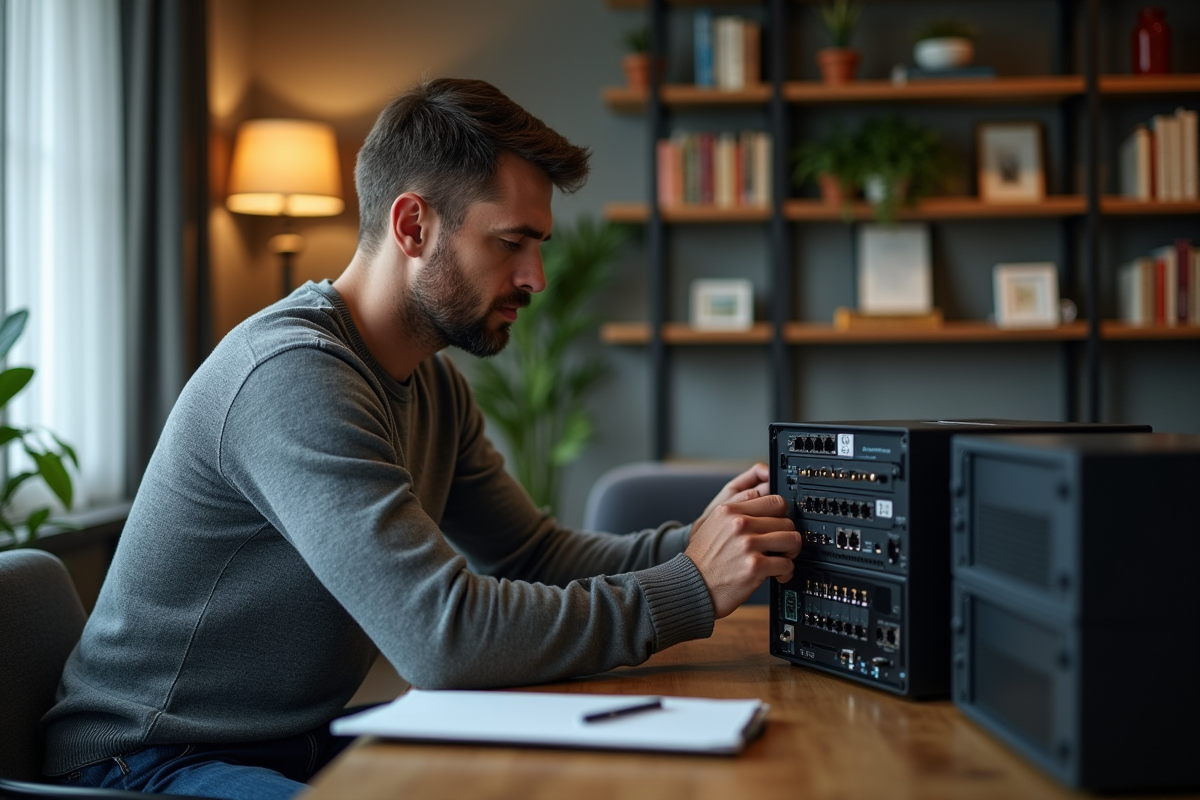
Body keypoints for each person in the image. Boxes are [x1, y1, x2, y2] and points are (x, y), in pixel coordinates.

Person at [43, 77, 801, 799]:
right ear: (412, 226)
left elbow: (533, 556)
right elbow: (443, 638)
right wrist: (692, 584)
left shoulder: (431, 383)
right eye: (512, 242)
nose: (536, 277)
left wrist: (713, 542)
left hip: (294, 742)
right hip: (147, 760)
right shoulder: (290, 376)